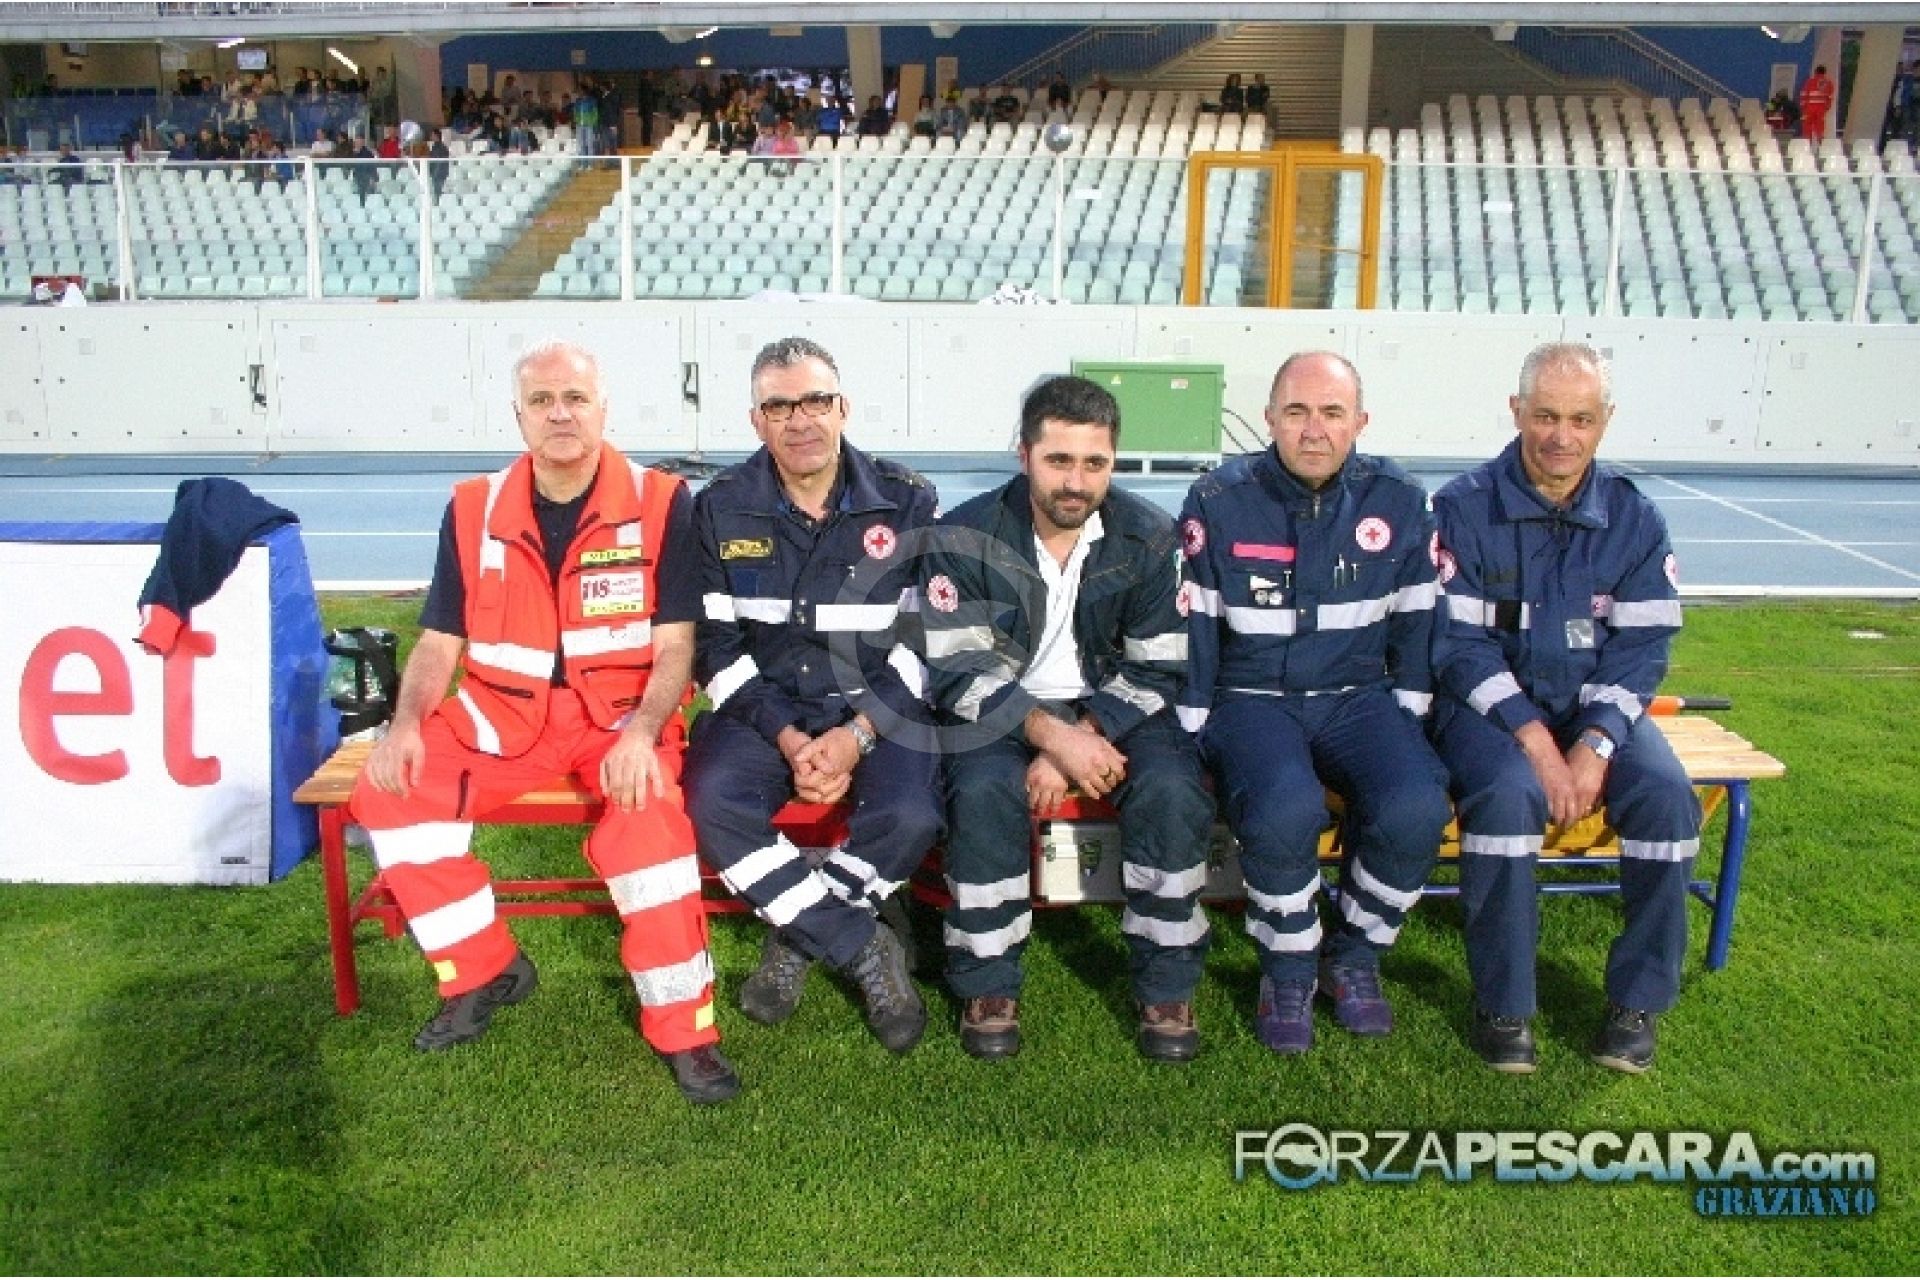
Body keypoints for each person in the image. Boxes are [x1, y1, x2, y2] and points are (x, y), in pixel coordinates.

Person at [346, 340, 739, 1106]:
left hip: (620, 720)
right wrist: (406, 725)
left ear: (603, 409)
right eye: (542, 401)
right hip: (502, 714)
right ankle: (484, 969)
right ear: (519, 415)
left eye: (575, 398)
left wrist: (642, 734)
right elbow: (439, 640)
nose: (560, 414)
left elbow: (676, 646)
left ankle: (685, 1032)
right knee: (390, 792)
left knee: (650, 840)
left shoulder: (662, 502)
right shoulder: (473, 507)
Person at [923, 376, 1212, 1063]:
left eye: (1094, 463)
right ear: (1023, 453)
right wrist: (1051, 736)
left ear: (1113, 461)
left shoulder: (1149, 536)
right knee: (983, 791)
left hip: (1116, 704)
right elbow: (960, 671)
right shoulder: (963, 535)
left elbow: (1158, 667)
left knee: (1172, 791)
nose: (1076, 482)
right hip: (999, 707)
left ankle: (1167, 986)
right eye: (1058, 460)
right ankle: (988, 983)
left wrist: (1082, 736)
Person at [1430, 342, 1700, 1076]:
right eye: (1546, 415)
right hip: (1489, 714)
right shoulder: (1461, 508)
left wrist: (1598, 741)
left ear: (1605, 421)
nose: (1561, 436)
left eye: (1580, 419)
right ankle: (1505, 1004)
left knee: (1668, 799)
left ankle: (1637, 1002)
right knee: (1507, 797)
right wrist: (1538, 743)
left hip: (1594, 711)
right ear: (1517, 411)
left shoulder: (1635, 518)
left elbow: (1642, 649)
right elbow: (1458, 647)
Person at [1176, 351, 1449, 1056]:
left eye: (1332, 413)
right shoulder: (1218, 498)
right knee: (1284, 809)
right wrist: (1194, 725)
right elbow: (1197, 624)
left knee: (1416, 805)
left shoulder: (1399, 499)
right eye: (1296, 412)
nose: (1314, 429)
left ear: (1360, 421)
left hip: (1357, 696)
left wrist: (1411, 715)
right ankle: (1289, 969)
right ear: (1269, 418)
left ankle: (1352, 955)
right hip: (1252, 695)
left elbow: (1418, 618)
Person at [686, 337, 942, 1055]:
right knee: (710, 801)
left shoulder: (909, 500)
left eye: (815, 401)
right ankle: (860, 942)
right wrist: (790, 737)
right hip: (764, 710)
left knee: (913, 814)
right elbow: (714, 647)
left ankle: (797, 934)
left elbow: (924, 644)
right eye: (779, 406)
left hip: (877, 711)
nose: (800, 420)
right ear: (756, 421)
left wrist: (857, 734)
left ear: (842, 408)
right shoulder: (720, 508)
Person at [1799, 64, 1835, 141]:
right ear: (1824, 72)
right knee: (1819, 126)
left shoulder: (1810, 81)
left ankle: (1807, 143)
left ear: (1816, 72)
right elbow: (1830, 97)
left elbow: (1804, 94)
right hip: (1821, 108)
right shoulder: (1829, 83)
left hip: (1809, 107)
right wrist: (1827, 107)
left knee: (1807, 125)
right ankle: (1820, 142)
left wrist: (1803, 107)